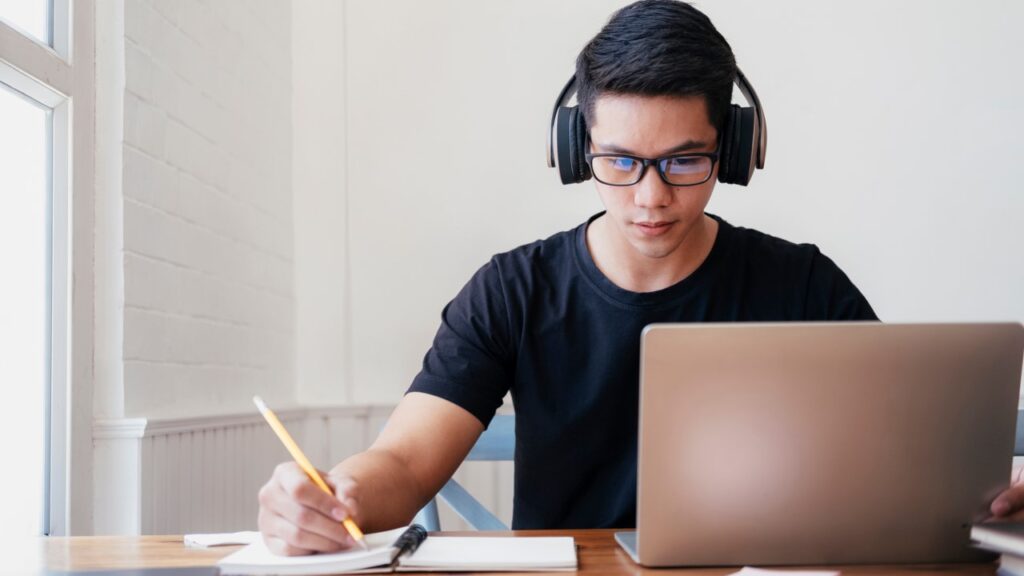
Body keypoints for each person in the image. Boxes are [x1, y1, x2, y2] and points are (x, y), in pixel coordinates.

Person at [256, 0, 1021, 556]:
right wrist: (336, 495)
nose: (650, 197)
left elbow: (908, 458)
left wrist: (992, 505)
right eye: (618, 161)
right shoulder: (512, 291)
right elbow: (404, 460)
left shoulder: (804, 285)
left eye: (684, 160)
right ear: (572, 148)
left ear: (735, 149)